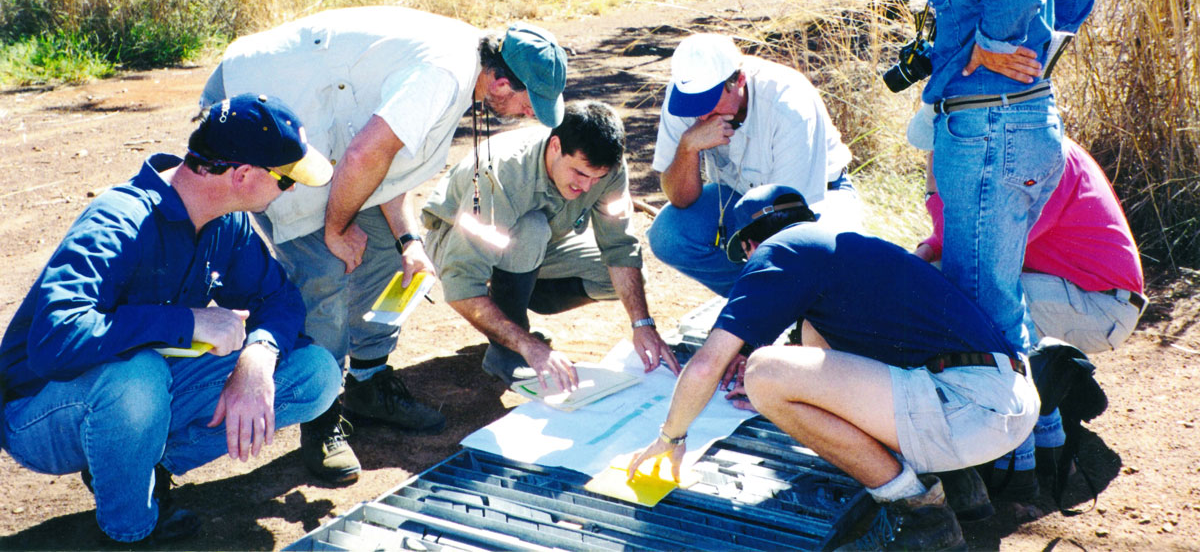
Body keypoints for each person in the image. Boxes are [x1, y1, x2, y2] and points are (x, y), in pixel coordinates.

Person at [201, 6, 568, 483]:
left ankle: (369, 381)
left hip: (323, 126)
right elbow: (364, 153)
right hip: (257, 106)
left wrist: (408, 239)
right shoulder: (444, 75)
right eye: (527, 102)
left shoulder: (464, 68)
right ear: (501, 84)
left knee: (384, 251)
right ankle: (322, 415)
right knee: (324, 269)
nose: (526, 114)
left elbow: (383, 157)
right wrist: (335, 229)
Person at [857, 0, 1096, 493]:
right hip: (1021, 124)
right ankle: (1038, 444)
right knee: (997, 292)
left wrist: (990, 49)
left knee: (978, 303)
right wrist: (1040, 54)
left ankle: (1007, 462)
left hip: (989, 131)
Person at [0, 95, 342, 546]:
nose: (291, 189)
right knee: (139, 376)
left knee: (315, 374)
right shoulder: (120, 220)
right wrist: (185, 321)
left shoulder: (227, 223)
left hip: (130, 394)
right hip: (39, 412)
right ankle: (131, 530)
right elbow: (54, 342)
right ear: (241, 175)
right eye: (284, 179)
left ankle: (139, 462)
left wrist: (257, 359)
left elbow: (279, 298)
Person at [629, 185, 1039, 551]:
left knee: (763, 373)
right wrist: (806, 403)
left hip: (966, 411)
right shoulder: (848, 249)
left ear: (751, 247)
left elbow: (705, 367)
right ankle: (963, 488)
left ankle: (919, 514)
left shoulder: (779, 250)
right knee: (808, 336)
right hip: (1007, 401)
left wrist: (672, 436)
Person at [422, 100, 680, 389]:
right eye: (580, 173)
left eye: (598, 178)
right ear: (555, 146)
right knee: (531, 229)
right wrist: (528, 345)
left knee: (622, 278)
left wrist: (642, 324)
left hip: (532, 247)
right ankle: (506, 351)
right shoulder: (501, 175)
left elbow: (620, 247)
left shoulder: (609, 170)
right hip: (455, 241)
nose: (587, 188)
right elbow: (462, 282)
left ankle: (517, 300)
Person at [907, 104, 1146, 354]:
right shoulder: (1022, 147)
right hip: (1077, 293)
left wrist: (934, 192)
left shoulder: (1036, 158)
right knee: (935, 282)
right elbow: (972, 229)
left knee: (964, 297)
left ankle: (1019, 386)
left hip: (1103, 306)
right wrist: (926, 251)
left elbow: (981, 251)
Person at [647, 33, 861, 296]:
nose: (701, 115)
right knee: (668, 235)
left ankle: (786, 306)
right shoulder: (682, 97)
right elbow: (680, 198)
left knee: (822, 265)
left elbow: (790, 220)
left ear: (739, 80)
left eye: (709, 101)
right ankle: (757, 301)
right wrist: (687, 147)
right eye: (694, 104)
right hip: (738, 196)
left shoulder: (788, 102)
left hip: (816, 198)